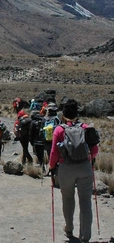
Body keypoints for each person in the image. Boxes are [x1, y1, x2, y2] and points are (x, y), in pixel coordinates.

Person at [49, 99, 99, 243]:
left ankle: (69, 229)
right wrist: (89, 159)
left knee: (67, 199)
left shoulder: (59, 129)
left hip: (66, 168)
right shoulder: (85, 128)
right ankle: (86, 236)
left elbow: (54, 153)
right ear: (77, 113)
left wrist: (52, 166)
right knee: (85, 202)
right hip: (85, 167)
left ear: (63, 114)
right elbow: (94, 150)